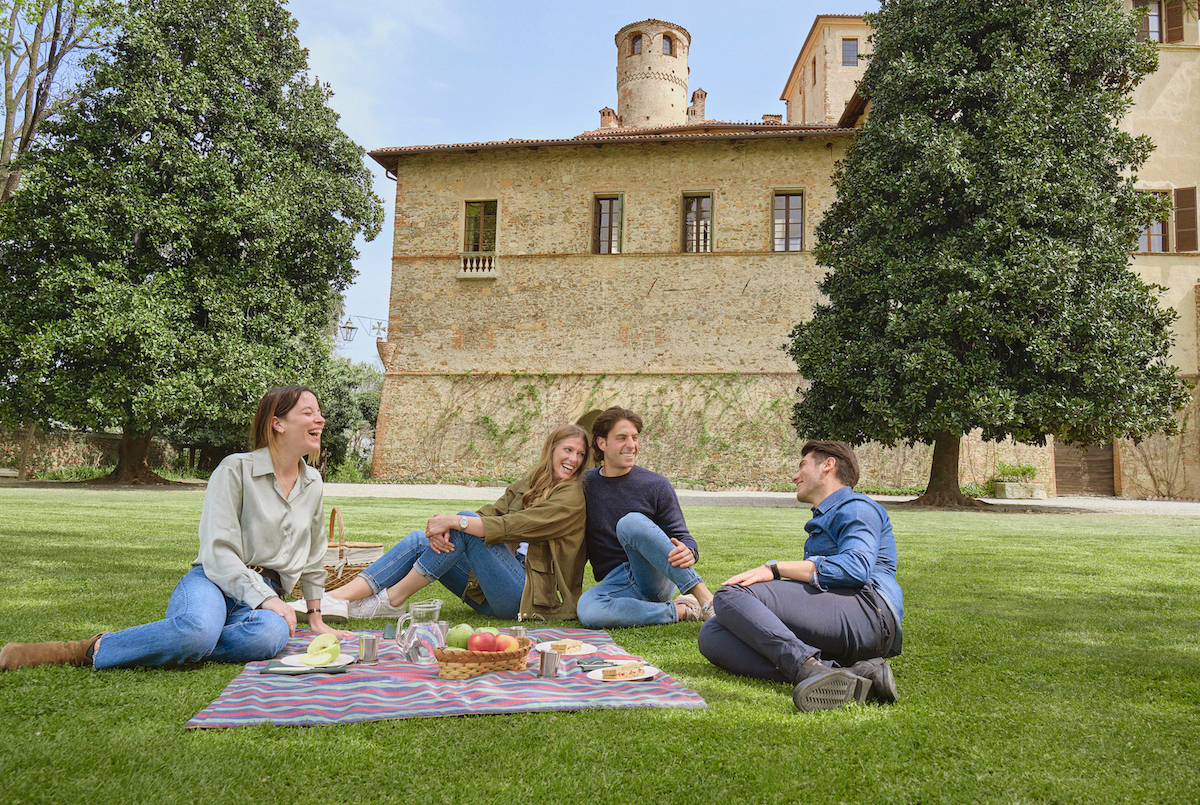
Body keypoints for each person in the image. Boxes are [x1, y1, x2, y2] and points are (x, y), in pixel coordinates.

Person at [0, 385, 349, 672]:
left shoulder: (312, 482)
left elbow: (314, 554)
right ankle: (80, 650)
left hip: (264, 596)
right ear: (277, 424)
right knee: (198, 631)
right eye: (309, 412)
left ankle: (184, 640)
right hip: (213, 581)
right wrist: (269, 600)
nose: (319, 419)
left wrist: (315, 617)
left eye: (318, 413)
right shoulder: (235, 469)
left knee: (267, 638)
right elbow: (217, 550)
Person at [299, 424, 589, 622]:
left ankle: (391, 601)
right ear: (552, 449)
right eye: (568, 450)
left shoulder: (572, 496)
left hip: (530, 597)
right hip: (490, 590)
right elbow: (491, 513)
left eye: (580, 454)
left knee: (465, 524)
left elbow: (513, 525)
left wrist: (454, 521)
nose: (574, 459)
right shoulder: (531, 483)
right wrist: (445, 527)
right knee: (420, 541)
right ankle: (332, 599)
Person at [697, 440, 903, 712]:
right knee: (712, 633)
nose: (795, 476)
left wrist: (774, 569)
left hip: (867, 612)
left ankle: (807, 669)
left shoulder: (857, 506)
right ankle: (849, 675)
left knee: (731, 594)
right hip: (843, 620)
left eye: (802, 465)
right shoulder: (828, 515)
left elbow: (856, 567)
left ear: (828, 465)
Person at [575, 406, 715, 628]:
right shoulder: (583, 485)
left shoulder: (656, 484)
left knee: (631, 522)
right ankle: (682, 609)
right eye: (622, 438)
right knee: (588, 610)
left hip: (654, 574)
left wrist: (689, 551)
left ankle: (704, 598)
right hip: (617, 582)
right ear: (602, 443)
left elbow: (682, 536)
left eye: (635, 437)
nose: (631, 445)